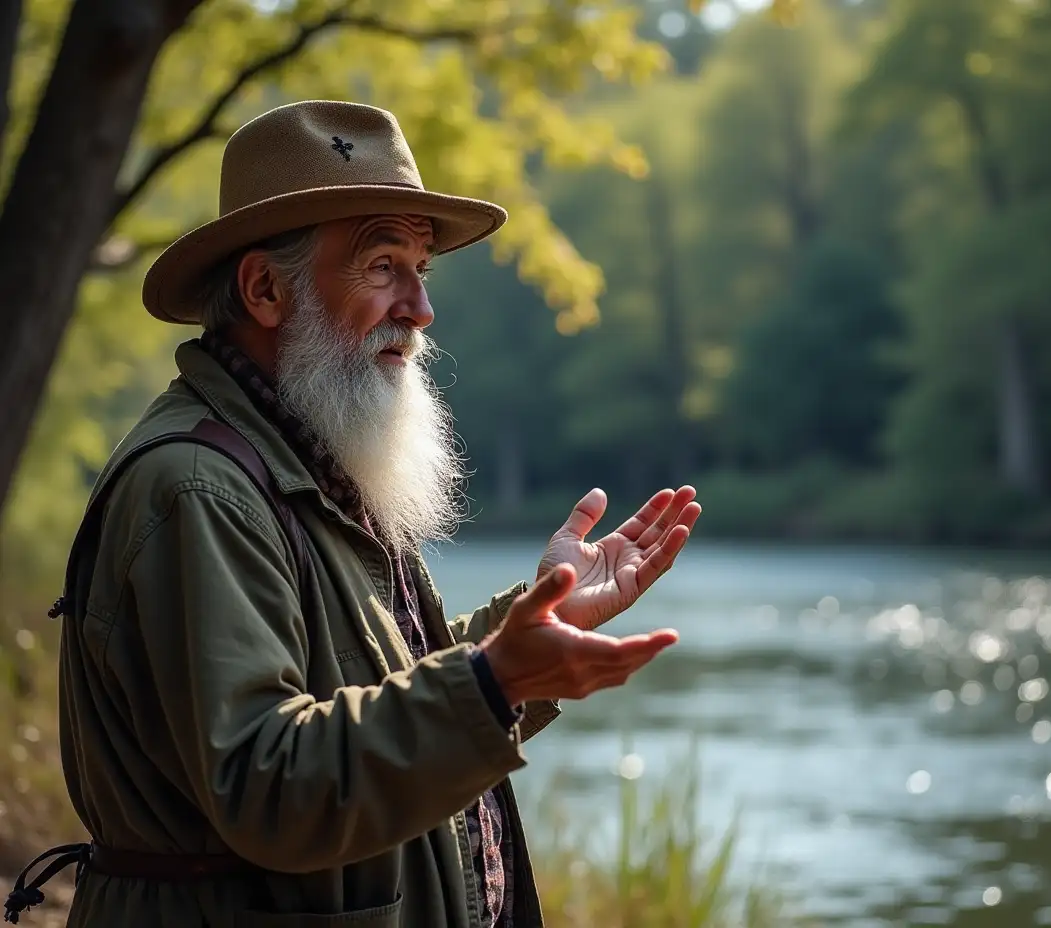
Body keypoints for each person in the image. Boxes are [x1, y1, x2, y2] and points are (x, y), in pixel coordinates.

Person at [3, 99, 700, 928]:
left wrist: (534, 615)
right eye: (381, 266)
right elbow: (269, 785)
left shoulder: (308, 458)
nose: (420, 308)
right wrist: (495, 680)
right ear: (264, 288)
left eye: (421, 269)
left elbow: (384, 695)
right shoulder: (198, 489)